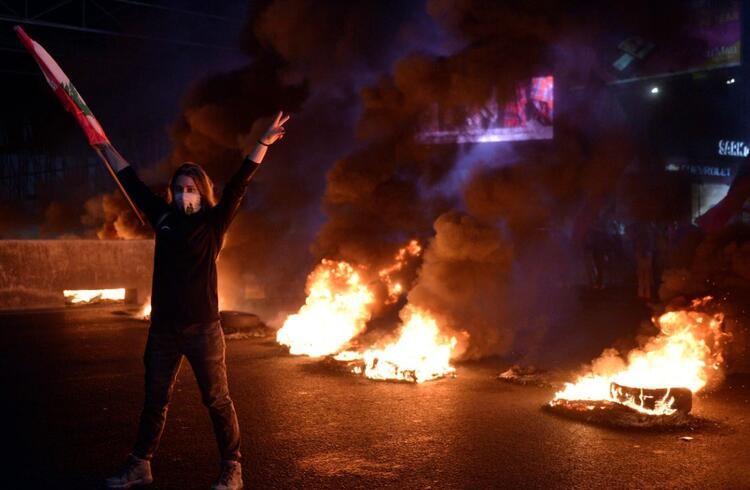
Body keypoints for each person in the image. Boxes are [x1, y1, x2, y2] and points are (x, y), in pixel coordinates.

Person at [103, 111, 290, 490]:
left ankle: (232, 467)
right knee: (155, 401)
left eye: (190, 188)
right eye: (178, 188)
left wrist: (262, 144)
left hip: (204, 331)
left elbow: (240, 182)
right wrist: (103, 144)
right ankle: (141, 465)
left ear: (202, 193)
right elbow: (131, 181)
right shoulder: (162, 218)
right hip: (163, 332)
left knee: (217, 401)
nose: (183, 194)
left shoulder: (214, 223)